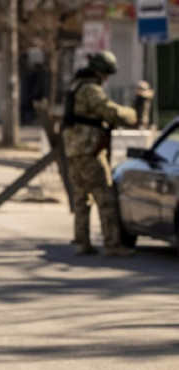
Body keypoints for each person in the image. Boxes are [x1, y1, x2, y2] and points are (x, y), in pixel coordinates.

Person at [61, 50, 137, 257]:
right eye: (106, 74)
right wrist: (133, 112)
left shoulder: (75, 86)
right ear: (100, 72)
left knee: (81, 197)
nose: (107, 79)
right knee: (105, 196)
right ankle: (112, 243)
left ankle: (82, 242)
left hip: (74, 150)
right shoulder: (90, 90)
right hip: (89, 150)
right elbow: (111, 112)